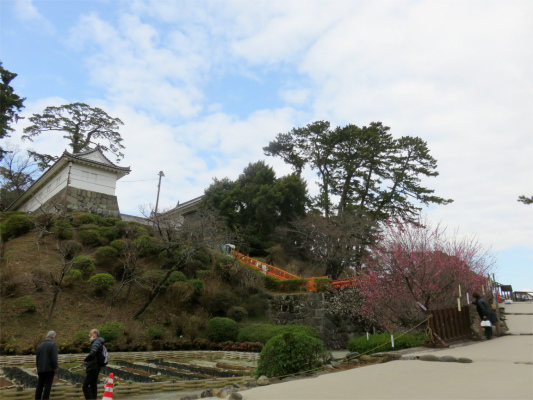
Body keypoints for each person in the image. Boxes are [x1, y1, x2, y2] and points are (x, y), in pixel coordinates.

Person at [82, 329, 105, 400]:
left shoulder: (96, 342)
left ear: (95, 334)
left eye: (90, 334)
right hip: (96, 366)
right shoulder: (98, 342)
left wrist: (86, 359)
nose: (89, 336)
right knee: (93, 385)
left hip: (93, 367)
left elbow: (93, 353)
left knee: (85, 386)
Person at [35, 331, 58, 400]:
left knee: (40, 386)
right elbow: (54, 357)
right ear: (53, 337)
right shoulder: (53, 345)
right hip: (49, 369)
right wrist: (55, 367)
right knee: (47, 387)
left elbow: (37, 358)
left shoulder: (40, 346)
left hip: (41, 369)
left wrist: (38, 368)